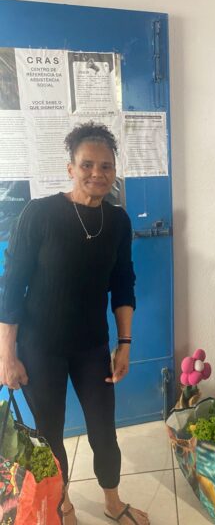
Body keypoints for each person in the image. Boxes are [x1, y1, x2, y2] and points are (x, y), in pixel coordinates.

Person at [0, 123, 150, 525]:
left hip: (91, 347)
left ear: (114, 171)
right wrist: (6, 355)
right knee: (50, 433)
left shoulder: (117, 221)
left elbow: (124, 283)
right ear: (71, 168)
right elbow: (11, 286)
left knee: (104, 430)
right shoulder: (39, 214)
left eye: (106, 166)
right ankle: (62, 503)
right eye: (87, 165)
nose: (97, 173)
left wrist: (125, 343)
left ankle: (112, 502)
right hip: (40, 348)